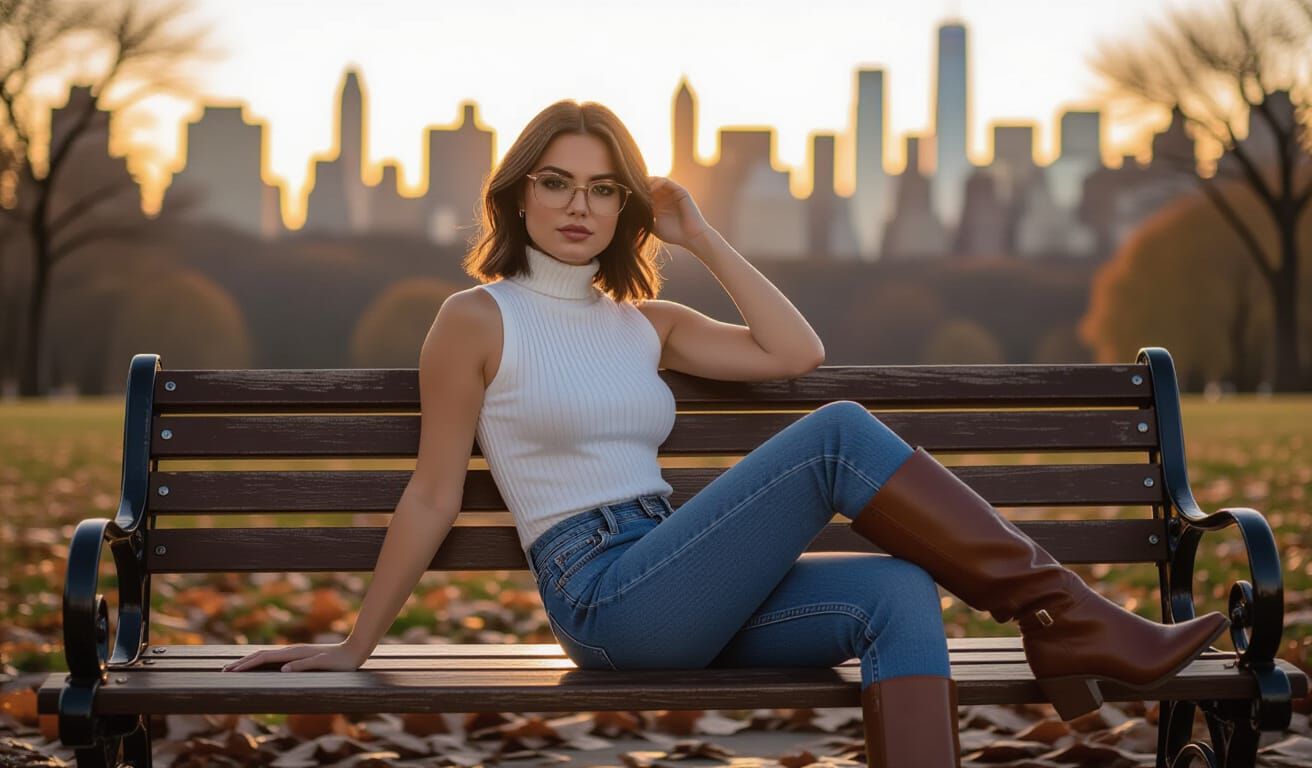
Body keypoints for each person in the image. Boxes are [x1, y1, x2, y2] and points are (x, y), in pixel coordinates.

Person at [221, 99, 1229, 767]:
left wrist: (699, 234)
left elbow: (794, 348)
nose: (580, 205)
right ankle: (1065, 615)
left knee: (896, 591)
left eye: (604, 188)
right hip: (607, 597)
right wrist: (354, 645)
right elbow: (433, 493)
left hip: (677, 569)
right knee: (837, 435)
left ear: (627, 208)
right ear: (517, 192)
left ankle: (1063, 624)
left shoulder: (648, 324)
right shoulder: (476, 320)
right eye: (558, 182)